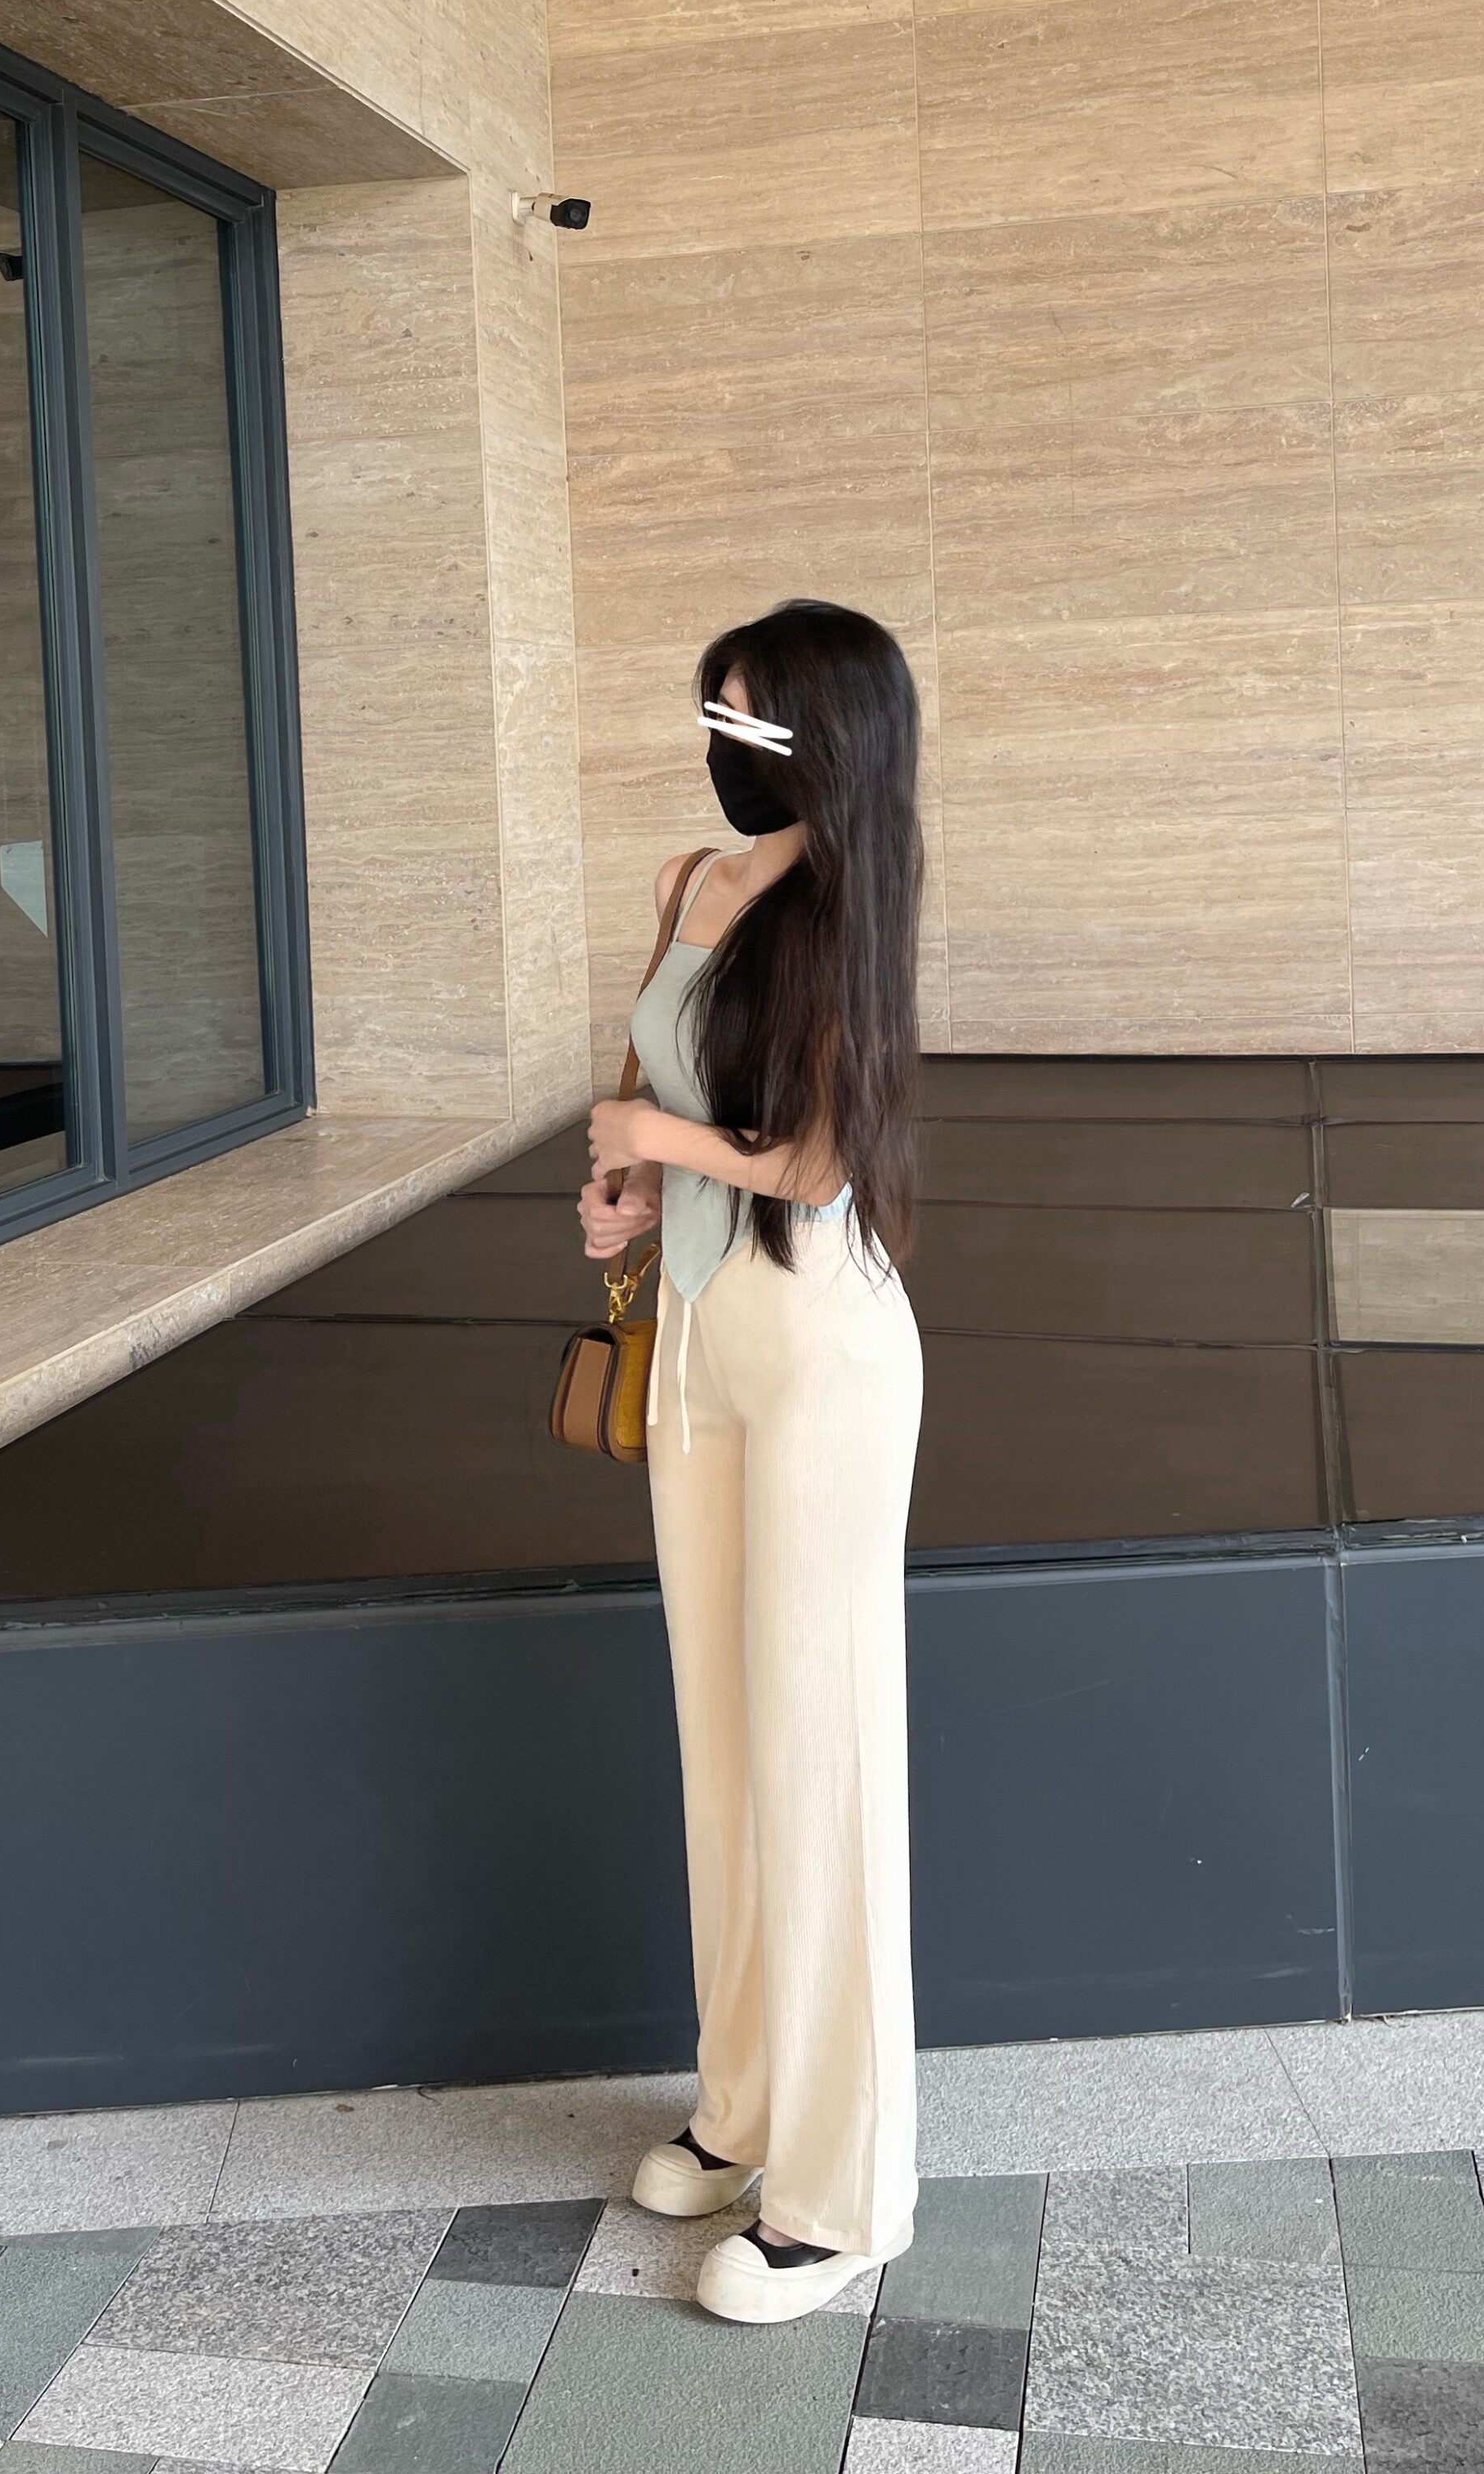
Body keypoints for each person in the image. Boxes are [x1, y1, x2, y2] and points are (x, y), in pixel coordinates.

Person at [579, 597, 925, 2326]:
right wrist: (630, 1189)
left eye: (752, 722)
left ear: (825, 739)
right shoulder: (688, 884)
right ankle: (743, 2111)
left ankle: (842, 2198)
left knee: (821, 1751)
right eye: (712, 712)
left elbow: (814, 1160)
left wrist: (656, 1134)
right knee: (721, 1739)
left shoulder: (851, 907)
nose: (723, 747)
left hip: (819, 1349)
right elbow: (657, 1089)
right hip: (698, 1338)